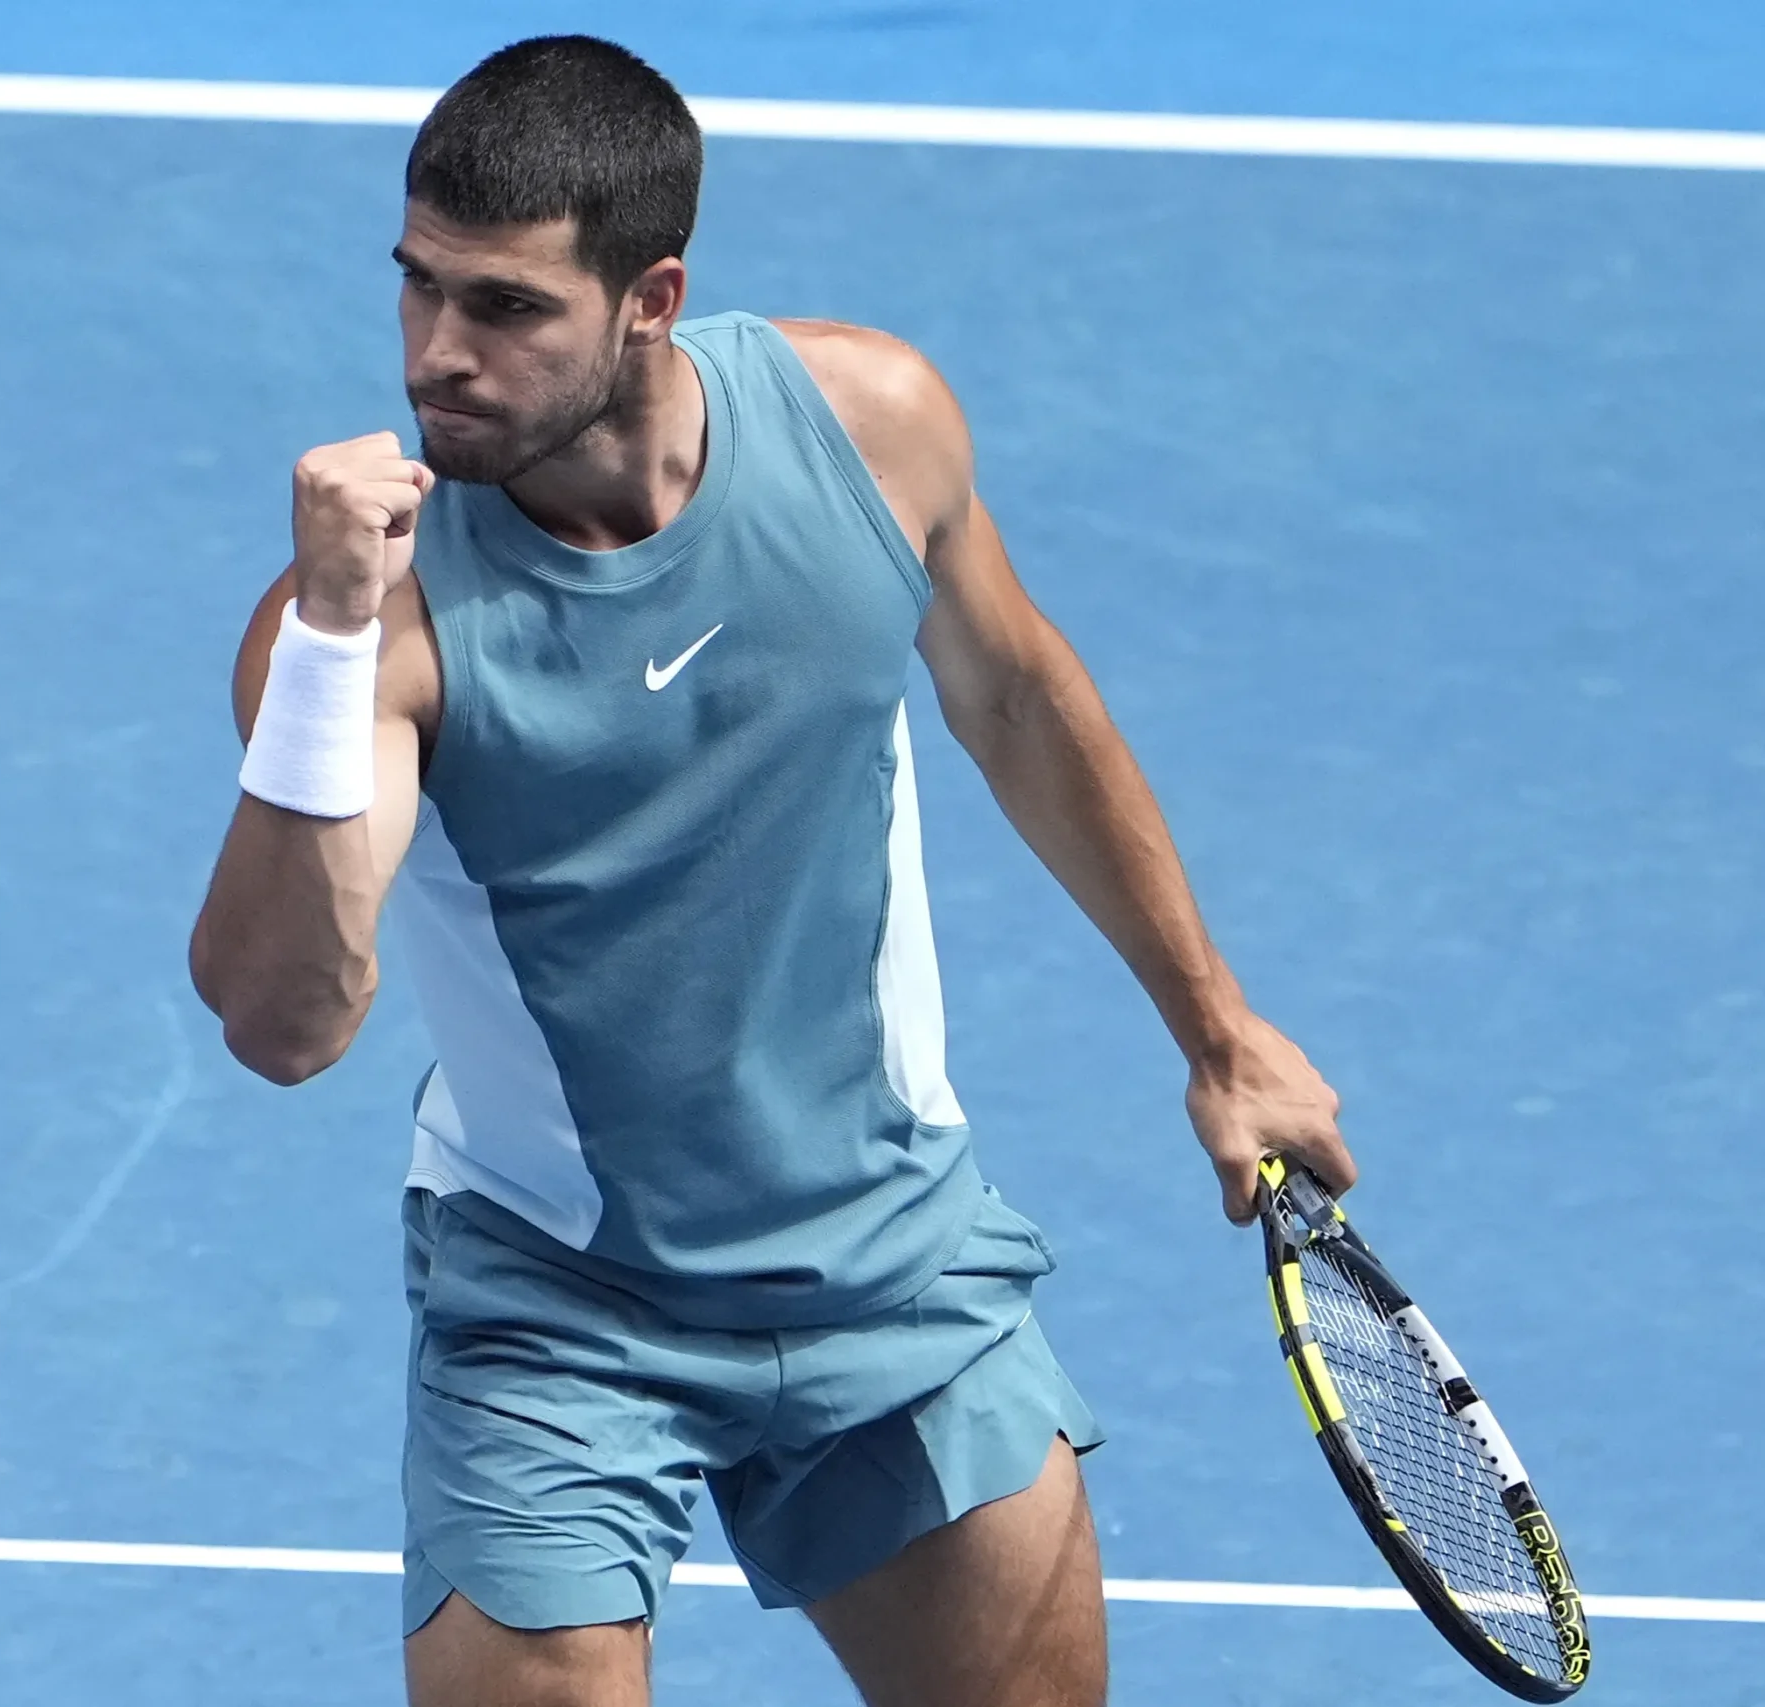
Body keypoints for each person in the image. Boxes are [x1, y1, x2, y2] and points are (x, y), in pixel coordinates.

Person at [188, 34, 1356, 1707]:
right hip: (561, 1301)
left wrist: (1219, 1029)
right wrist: (320, 645)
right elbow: (284, 1023)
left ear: (650, 299)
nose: (439, 357)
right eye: (419, 288)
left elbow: (1020, 702)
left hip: (889, 1258)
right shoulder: (389, 630)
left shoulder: (870, 424)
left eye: (508, 308)